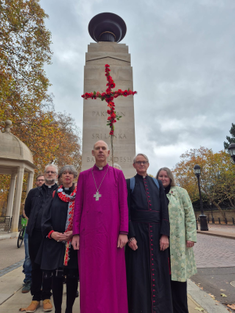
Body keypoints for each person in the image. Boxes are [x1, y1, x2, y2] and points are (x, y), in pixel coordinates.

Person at [72, 140, 129, 313]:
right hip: (88, 234)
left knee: (111, 273)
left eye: (104, 148)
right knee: (91, 275)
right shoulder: (83, 176)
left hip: (112, 233)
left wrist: (124, 231)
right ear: (92, 152)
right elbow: (78, 206)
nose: (101, 151)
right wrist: (76, 234)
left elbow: (123, 205)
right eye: (97, 148)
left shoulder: (118, 174)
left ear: (108, 153)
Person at [125, 154, 173, 313]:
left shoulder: (157, 184)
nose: (141, 164)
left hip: (157, 233)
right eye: (138, 162)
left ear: (148, 164)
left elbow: (164, 210)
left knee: (159, 273)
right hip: (138, 234)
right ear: (134, 165)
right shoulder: (129, 183)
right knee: (139, 274)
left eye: (144, 162)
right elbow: (126, 212)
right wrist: (130, 235)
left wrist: (165, 234)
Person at [156, 167, 197, 313]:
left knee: (179, 281)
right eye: (160, 176)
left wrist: (191, 236)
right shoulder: (155, 193)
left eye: (165, 176)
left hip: (178, 244)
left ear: (170, 178)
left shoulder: (180, 192)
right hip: (161, 243)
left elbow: (190, 214)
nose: (163, 178)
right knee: (164, 279)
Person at [40, 165, 79, 313]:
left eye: (70, 173)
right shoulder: (54, 195)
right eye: (64, 173)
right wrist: (52, 233)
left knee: (72, 279)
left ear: (74, 177)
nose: (67, 176)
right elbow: (45, 218)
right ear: (60, 177)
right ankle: (58, 309)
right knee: (56, 279)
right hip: (55, 244)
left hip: (73, 243)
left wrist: (74, 232)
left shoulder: (80, 195)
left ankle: (69, 309)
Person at [21, 165, 58, 313]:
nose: (50, 174)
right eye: (47, 172)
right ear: (44, 174)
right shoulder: (33, 192)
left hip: (51, 235)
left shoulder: (59, 192)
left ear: (56, 175)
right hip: (35, 233)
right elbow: (29, 210)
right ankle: (35, 298)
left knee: (48, 267)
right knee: (35, 266)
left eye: (52, 172)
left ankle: (47, 297)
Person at [22, 174, 45, 294]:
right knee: (29, 257)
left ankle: (41, 282)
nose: (41, 182)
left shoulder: (52, 193)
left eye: (43, 180)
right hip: (31, 230)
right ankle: (28, 280)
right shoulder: (32, 193)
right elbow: (27, 210)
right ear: (36, 182)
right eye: (39, 180)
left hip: (45, 231)